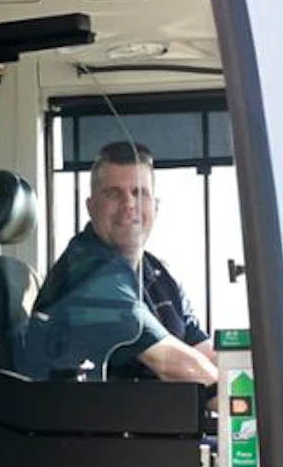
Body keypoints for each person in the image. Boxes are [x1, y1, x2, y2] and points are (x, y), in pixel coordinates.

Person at [25, 141, 217, 384]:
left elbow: (203, 355)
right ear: (91, 207)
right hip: (85, 418)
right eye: (114, 193)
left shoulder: (158, 274)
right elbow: (173, 365)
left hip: (145, 417)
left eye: (139, 192)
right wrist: (248, 402)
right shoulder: (88, 273)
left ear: (156, 207)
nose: (128, 204)